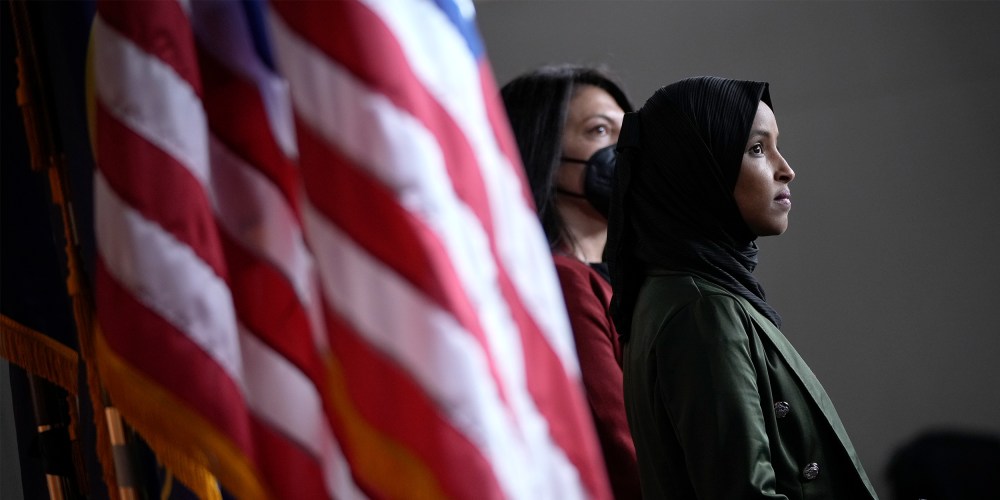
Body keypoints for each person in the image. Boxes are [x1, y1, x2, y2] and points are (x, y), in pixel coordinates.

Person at [606, 76, 878, 499]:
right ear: (697, 170)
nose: (786, 169)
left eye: (775, 145)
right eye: (756, 149)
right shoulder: (701, 309)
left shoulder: (681, 293)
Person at [501, 64, 641, 499]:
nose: (628, 150)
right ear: (541, 149)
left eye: (629, 133)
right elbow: (622, 445)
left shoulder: (630, 280)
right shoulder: (563, 281)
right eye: (599, 130)